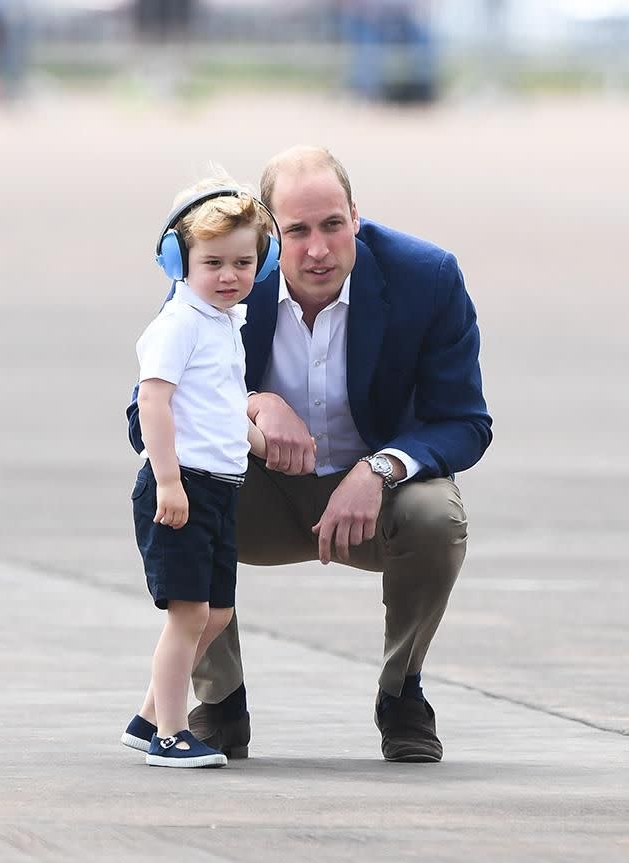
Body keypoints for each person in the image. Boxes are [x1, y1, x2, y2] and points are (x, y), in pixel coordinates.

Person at [127, 146, 492, 763]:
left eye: (332, 225)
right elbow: (146, 418)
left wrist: (379, 468)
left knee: (437, 514)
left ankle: (401, 692)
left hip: (372, 500)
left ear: (356, 215)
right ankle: (217, 701)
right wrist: (250, 403)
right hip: (254, 490)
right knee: (174, 484)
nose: (317, 249)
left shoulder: (426, 277)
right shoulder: (224, 275)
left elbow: (463, 421)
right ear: (269, 232)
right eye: (296, 231)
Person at [121, 173, 277, 768]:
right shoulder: (178, 324)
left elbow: (221, 407)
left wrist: (264, 446)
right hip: (180, 485)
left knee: (217, 614)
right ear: (178, 260)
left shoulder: (225, 324)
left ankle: (146, 716)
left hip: (219, 487)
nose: (229, 275)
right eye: (213, 262)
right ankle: (168, 733)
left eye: (243, 263)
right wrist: (167, 481)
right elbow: (154, 401)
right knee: (187, 615)